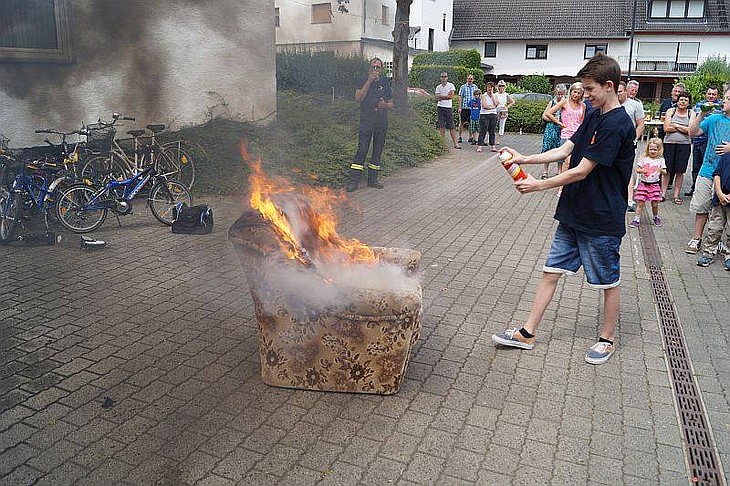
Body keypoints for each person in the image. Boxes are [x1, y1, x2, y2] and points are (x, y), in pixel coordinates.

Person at [491, 53, 635, 365]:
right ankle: (527, 334)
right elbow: (567, 148)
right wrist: (523, 159)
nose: (585, 94)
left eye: (589, 89)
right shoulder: (594, 114)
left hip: (601, 219)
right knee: (550, 272)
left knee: (607, 283)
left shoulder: (617, 124)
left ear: (609, 86)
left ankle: (606, 339)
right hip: (573, 212)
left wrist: (538, 186)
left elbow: (583, 170)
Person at [686, 88, 730, 254]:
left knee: (723, 210)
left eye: (727, 98)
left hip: (727, 175)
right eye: (724, 97)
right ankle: (696, 239)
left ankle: (719, 242)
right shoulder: (713, 119)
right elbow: (693, 133)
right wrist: (701, 115)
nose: (723, 101)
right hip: (707, 170)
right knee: (702, 206)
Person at [346, 57, 393, 192]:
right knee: (362, 149)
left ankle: (372, 180)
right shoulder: (363, 80)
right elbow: (358, 98)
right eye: (373, 67)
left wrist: (385, 105)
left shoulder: (385, 83)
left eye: (378, 67)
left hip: (381, 121)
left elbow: (391, 104)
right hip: (366, 119)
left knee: (377, 150)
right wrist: (369, 82)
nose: (375, 70)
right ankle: (353, 181)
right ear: (369, 68)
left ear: (382, 69)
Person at [696, 152, 730, 270]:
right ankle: (708, 252)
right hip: (719, 200)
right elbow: (717, 174)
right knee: (714, 228)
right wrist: (719, 193)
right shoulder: (726, 157)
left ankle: (729, 255)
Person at [546, 82, 586, 177]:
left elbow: (582, 121)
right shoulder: (565, 102)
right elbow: (548, 113)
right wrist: (559, 123)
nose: (576, 95)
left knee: (576, 162)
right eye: (574, 92)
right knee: (566, 162)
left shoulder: (583, 106)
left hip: (577, 136)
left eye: (578, 93)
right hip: (566, 136)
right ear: (570, 92)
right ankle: (561, 187)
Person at [688, 86, 722, 197]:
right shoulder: (699, 106)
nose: (711, 96)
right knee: (696, 166)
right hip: (698, 140)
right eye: (709, 94)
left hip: (711, 142)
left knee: (710, 165)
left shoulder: (721, 107)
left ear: (717, 96)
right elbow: (693, 122)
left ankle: (711, 189)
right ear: (706, 94)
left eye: (713, 94)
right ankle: (695, 188)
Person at [662, 90, 695, 205]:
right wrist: (683, 128)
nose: (683, 102)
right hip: (669, 144)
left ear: (689, 102)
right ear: (677, 100)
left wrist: (675, 125)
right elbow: (666, 128)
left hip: (684, 145)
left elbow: (691, 131)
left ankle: (676, 195)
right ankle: (663, 194)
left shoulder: (691, 113)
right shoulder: (671, 111)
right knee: (667, 170)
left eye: (686, 100)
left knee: (680, 171)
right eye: (681, 99)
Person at [618, 81, 645, 212]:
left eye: (620, 91)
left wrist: (634, 139)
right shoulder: (610, 104)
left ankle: (629, 200)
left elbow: (640, 124)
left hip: (627, 144)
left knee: (627, 170)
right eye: (616, 91)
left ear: (625, 92)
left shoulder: (635, 105)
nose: (618, 94)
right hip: (612, 144)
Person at [629, 138, 667, 228]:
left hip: (654, 185)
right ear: (647, 149)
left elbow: (665, 172)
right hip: (643, 184)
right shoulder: (644, 158)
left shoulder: (661, 160)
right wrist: (642, 170)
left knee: (655, 204)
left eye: (655, 149)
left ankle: (655, 217)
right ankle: (636, 219)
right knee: (640, 203)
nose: (652, 151)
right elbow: (637, 169)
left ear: (659, 150)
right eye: (651, 149)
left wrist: (661, 170)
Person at [540, 84, 567, 179]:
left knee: (560, 149)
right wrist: (554, 120)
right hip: (551, 128)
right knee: (547, 148)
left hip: (562, 129)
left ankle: (559, 171)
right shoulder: (552, 102)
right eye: (558, 94)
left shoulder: (566, 103)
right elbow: (544, 116)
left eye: (562, 94)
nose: (559, 96)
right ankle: (545, 171)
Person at [435, 72, 461, 150]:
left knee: (451, 127)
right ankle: (443, 144)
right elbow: (436, 98)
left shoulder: (451, 85)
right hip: (440, 107)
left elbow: (451, 96)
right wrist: (446, 96)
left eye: (445, 76)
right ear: (440, 78)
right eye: (442, 77)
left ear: (447, 77)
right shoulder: (438, 87)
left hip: (448, 108)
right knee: (442, 126)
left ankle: (456, 143)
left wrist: (441, 96)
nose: (444, 78)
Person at [477, 82, 499, 153]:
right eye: (488, 87)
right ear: (486, 88)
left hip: (493, 115)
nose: (490, 89)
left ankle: (493, 145)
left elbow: (496, 103)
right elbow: (484, 106)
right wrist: (492, 107)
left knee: (492, 131)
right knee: (483, 131)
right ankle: (480, 146)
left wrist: (492, 95)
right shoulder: (483, 96)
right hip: (484, 115)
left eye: (491, 87)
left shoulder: (495, 95)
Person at [458, 74, 478, 144]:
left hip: (472, 109)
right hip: (464, 108)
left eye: (471, 79)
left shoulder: (475, 87)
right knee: (462, 123)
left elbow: (477, 98)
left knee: (471, 123)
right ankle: (460, 136)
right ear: (467, 79)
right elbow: (460, 97)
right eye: (469, 78)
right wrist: (459, 107)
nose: (470, 80)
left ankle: (470, 137)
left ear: (473, 79)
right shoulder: (463, 87)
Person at [495, 80, 515, 144]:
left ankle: (498, 139)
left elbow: (513, 101)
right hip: (496, 110)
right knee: (493, 124)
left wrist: (507, 107)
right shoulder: (495, 94)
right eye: (500, 86)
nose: (501, 87)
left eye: (503, 86)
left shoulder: (506, 94)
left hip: (503, 111)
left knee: (502, 125)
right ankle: (492, 138)